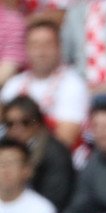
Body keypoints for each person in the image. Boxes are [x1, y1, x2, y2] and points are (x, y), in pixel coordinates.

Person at [1, 19, 90, 150]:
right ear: (26, 49)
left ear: (59, 47)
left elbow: (65, 139)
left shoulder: (73, 84)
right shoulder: (13, 84)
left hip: (54, 157)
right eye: (35, 45)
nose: (41, 52)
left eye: (47, 44)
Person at [2, 95, 75, 213]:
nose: (16, 128)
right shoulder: (5, 148)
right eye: (10, 124)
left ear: (37, 123)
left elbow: (54, 200)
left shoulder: (55, 154)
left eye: (25, 122)